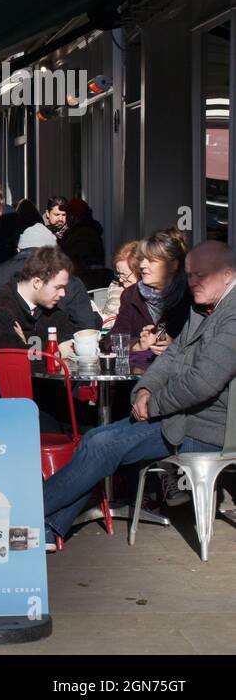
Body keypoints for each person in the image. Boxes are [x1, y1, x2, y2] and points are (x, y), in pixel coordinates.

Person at [43, 241, 236, 540]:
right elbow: (172, 356)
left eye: (200, 274)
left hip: (210, 429)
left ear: (227, 274)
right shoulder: (205, 306)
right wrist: (145, 389)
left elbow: (203, 382)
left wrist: (154, 404)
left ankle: (24, 513)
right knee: (95, 438)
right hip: (184, 416)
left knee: (101, 445)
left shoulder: (232, 315)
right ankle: (49, 526)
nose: (192, 281)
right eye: (189, 275)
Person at [0, 245, 78, 400]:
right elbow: (16, 367)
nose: (63, 294)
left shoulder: (50, 310)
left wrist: (27, 348)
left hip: (39, 396)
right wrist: (55, 351)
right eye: (58, 287)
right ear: (37, 282)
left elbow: (68, 340)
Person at [0, 223, 100, 331]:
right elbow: (86, 327)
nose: (62, 293)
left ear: (18, 250)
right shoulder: (67, 278)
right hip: (50, 348)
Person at [111, 229, 191, 373]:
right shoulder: (131, 295)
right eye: (142, 259)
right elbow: (113, 340)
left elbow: (208, 346)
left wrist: (174, 345)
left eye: (151, 260)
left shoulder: (191, 295)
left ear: (173, 265)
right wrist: (138, 345)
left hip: (179, 379)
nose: (142, 265)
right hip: (136, 380)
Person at [58, 198, 105, 274]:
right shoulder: (85, 232)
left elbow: (76, 260)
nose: (65, 219)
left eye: (67, 214)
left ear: (73, 217)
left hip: (83, 280)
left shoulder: (84, 235)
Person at [102, 240, 141, 322]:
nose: (120, 279)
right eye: (118, 273)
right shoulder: (116, 286)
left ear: (139, 271)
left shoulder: (151, 293)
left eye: (124, 274)